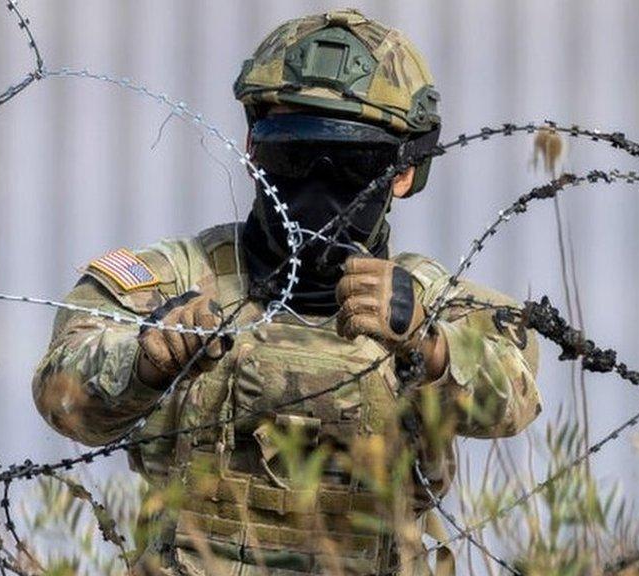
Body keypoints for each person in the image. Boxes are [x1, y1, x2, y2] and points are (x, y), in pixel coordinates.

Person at [32, 9, 541, 575]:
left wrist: (428, 342)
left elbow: (515, 394)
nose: (317, 191)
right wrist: (147, 357)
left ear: (404, 171)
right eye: (293, 158)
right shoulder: (175, 281)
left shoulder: (433, 303)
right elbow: (61, 396)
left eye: (353, 165)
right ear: (254, 149)